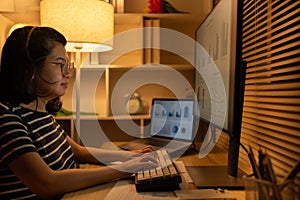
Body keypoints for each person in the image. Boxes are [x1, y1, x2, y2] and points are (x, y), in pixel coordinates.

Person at [0, 26, 158, 199]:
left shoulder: (40, 112)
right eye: (60, 64)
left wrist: (130, 157)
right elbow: (47, 183)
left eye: (67, 65)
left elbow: (78, 151)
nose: (68, 73)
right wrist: (124, 169)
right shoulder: (7, 118)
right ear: (29, 68)